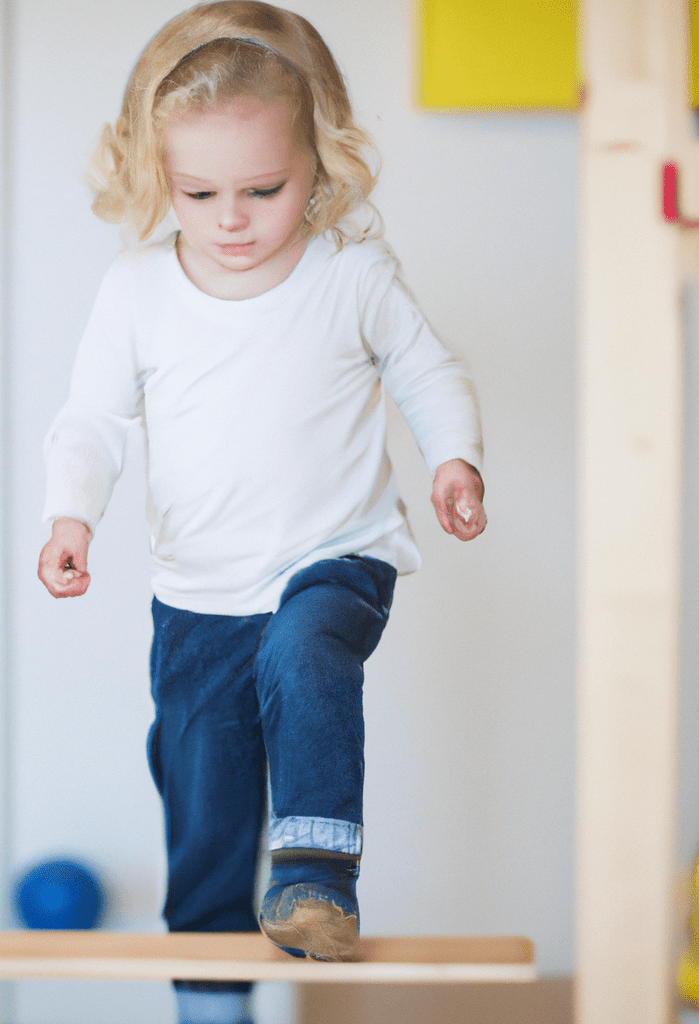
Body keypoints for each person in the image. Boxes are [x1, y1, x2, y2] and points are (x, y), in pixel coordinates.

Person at [38, 3, 485, 1021]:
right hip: (195, 600)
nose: (230, 217)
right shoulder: (138, 289)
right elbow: (93, 419)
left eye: (263, 189)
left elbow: (427, 370)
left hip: (336, 558)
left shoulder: (352, 275)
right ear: (159, 180)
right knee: (203, 811)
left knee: (303, 655)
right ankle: (211, 1001)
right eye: (198, 193)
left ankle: (317, 880)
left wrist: (454, 458)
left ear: (317, 167)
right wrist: (72, 517)